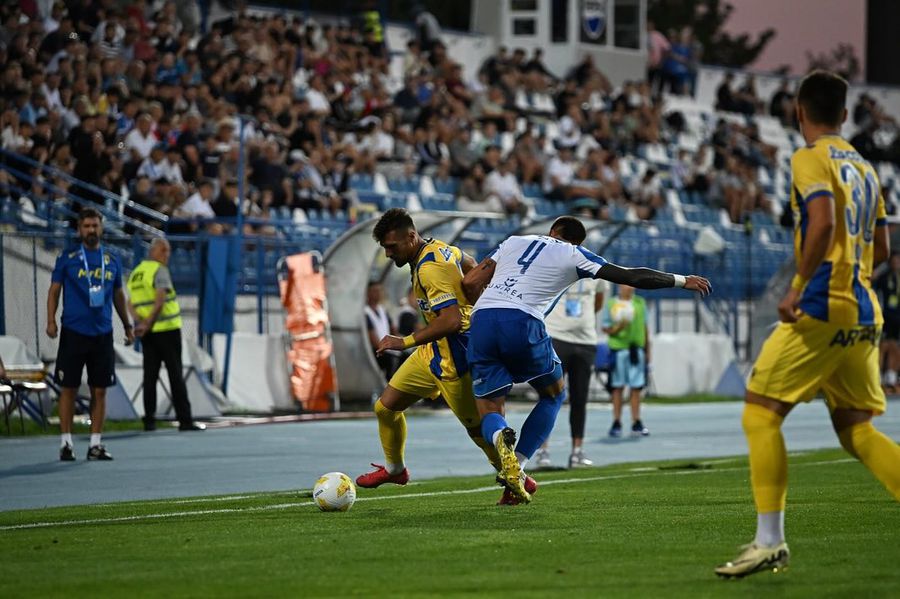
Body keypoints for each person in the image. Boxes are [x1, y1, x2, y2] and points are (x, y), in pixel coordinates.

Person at [715, 71, 900, 579]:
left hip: (820, 307)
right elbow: (882, 247)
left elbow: (821, 221)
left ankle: (769, 541)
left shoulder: (808, 157)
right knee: (856, 430)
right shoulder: (866, 168)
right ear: (844, 115)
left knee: (760, 414)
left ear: (799, 114)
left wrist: (798, 286)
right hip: (864, 312)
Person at [462, 217, 710, 504]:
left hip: (481, 318)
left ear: (552, 231)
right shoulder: (574, 254)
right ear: (577, 241)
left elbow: (470, 281)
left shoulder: (515, 241)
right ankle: (516, 465)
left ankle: (498, 441)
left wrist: (485, 311)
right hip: (522, 321)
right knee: (554, 394)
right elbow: (631, 276)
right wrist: (681, 280)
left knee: (490, 406)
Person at [356, 209, 534, 501]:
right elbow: (472, 264)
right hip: (431, 352)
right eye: (385, 248)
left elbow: (450, 320)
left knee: (478, 433)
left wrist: (404, 341)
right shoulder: (441, 248)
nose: (388, 254)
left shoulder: (429, 269)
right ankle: (395, 469)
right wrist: (473, 297)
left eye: (391, 246)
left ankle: (519, 480)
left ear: (411, 237)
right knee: (385, 407)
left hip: (454, 357)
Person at [47, 208, 134, 461]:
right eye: (86, 226)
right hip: (74, 331)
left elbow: (118, 295)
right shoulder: (68, 258)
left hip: (102, 333)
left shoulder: (112, 259)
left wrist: (127, 325)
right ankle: (66, 443)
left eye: (95, 225)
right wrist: (51, 321)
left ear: (101, 228)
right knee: (69, 388)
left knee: (100, 390)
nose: (91, 230)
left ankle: (95, 444)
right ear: (79, 229)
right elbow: (54, 291)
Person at [127, 238, 204, 432]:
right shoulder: (159, 270)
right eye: (164, 251)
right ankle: (185, 420)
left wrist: (140, 323)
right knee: (175, 375)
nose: (167, 255)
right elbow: (160, 301)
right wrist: (148, 322)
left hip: (148, 334)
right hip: (167, 331)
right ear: (155, 251)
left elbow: (130, 303)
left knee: (150, 376)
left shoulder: (137, 273)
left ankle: (149, 420)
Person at [535, 277, 607, 468]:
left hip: (586, 341)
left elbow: (598, 302)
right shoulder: (556, 265)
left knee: (580, 399)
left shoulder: (596, 270)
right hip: (556, 337)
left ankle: (577, 452)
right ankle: (542, 450)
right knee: (549, 395)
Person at [602, 284, 650, 437]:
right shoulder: (611, 304)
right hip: (619, 350)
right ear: (620, 286)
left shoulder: (640, 303)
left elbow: (645, 327)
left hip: (636, 350)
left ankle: (636, 421)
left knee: (636, 387)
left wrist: (648, 350)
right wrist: (619, 327)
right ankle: (616, 421)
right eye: (626, 284)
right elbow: (606, 328)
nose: (629, 288)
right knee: (617, 387)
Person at [873, 253, 900, 391]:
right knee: (883, 345)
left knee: (895, 346)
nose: (896, 263)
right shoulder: (883, 278)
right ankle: (878, 378)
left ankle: (891, 378)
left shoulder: (899, 278)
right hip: (884, 317)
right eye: (894, 260)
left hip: (897, 318)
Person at [365, 281, 397, 380]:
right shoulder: (366, 312)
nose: (378, 294)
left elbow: (393, 328)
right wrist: (383, 347)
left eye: (379, 291)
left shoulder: (382, 310)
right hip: (375, 351)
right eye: (375, 291)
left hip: (386, 348)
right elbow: (372, 337)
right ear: (368, 293)